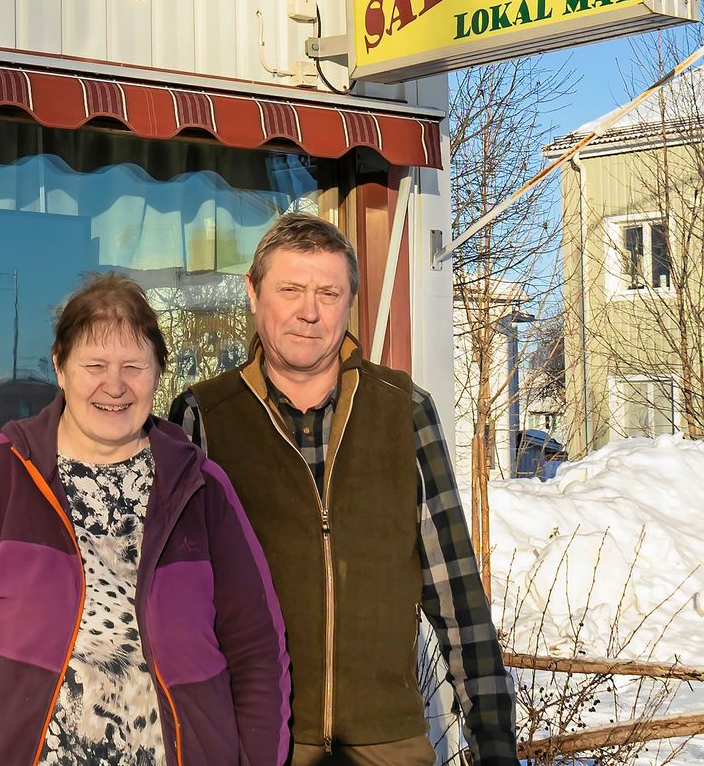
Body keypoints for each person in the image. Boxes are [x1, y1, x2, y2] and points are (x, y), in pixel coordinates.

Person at [0, 273, 290, 766]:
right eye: (95, 365)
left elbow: (258, 651)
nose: (115, 386)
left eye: (133, 366)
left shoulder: (201, 487)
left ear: (158, 373)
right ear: (60, 367)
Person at [169, 214, 519, 766]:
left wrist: (495, 747)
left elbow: (458, 600)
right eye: (291, 290)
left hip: (389, 746)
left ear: (350, 302)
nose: (309, 311)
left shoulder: (402, 410)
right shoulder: (204, 418)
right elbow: (175, 609)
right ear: (253, 293)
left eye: (328, 293)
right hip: (256, 744)